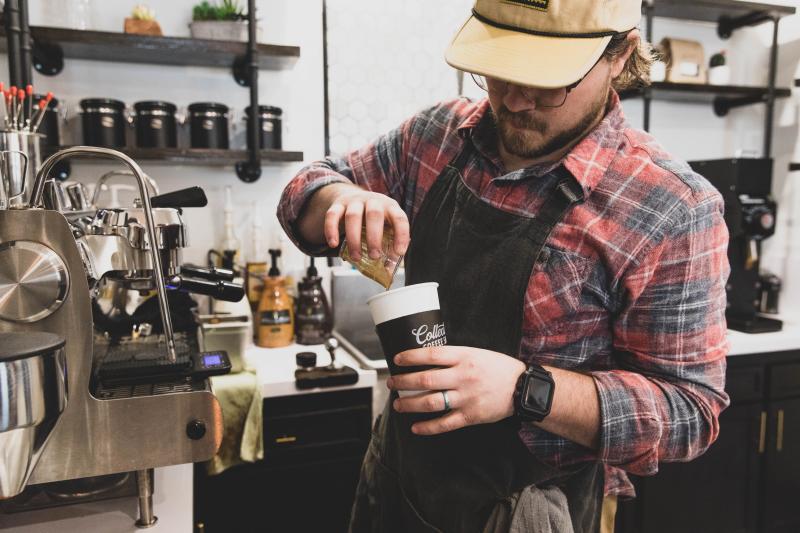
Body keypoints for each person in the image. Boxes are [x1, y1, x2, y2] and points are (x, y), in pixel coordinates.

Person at [278, 0, 730, 531]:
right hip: (400, 474)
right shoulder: (438, 135)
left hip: (527, 509)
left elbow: (688, 413)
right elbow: (305, 190)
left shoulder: (671, 206)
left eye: (546, 82)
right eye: (498, 71)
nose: (513, 99)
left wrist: (526, 389)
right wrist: (340, 198)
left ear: (619, 55)